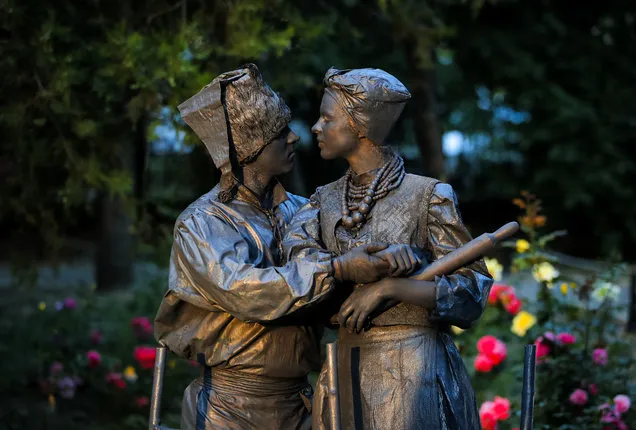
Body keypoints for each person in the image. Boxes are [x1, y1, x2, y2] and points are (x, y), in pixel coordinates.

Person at [153, 64, 418, 430]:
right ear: (249, 150)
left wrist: (386, 272)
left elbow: (332, 298)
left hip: (303, 406)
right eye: (280, 134)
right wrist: (338, 269)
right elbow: (246, 291)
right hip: (229, 411)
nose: (294, 139)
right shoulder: (202, 223)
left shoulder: (302, 209)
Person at [283, 67, 493, 429]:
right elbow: (296, 275)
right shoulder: (320, 202)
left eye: (327, 118)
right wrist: (350, 268)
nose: (316, 127)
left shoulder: (429, 197)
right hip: (344, 373)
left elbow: (471, 293)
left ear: (359, 126)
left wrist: (392, 287)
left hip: (418, 375)